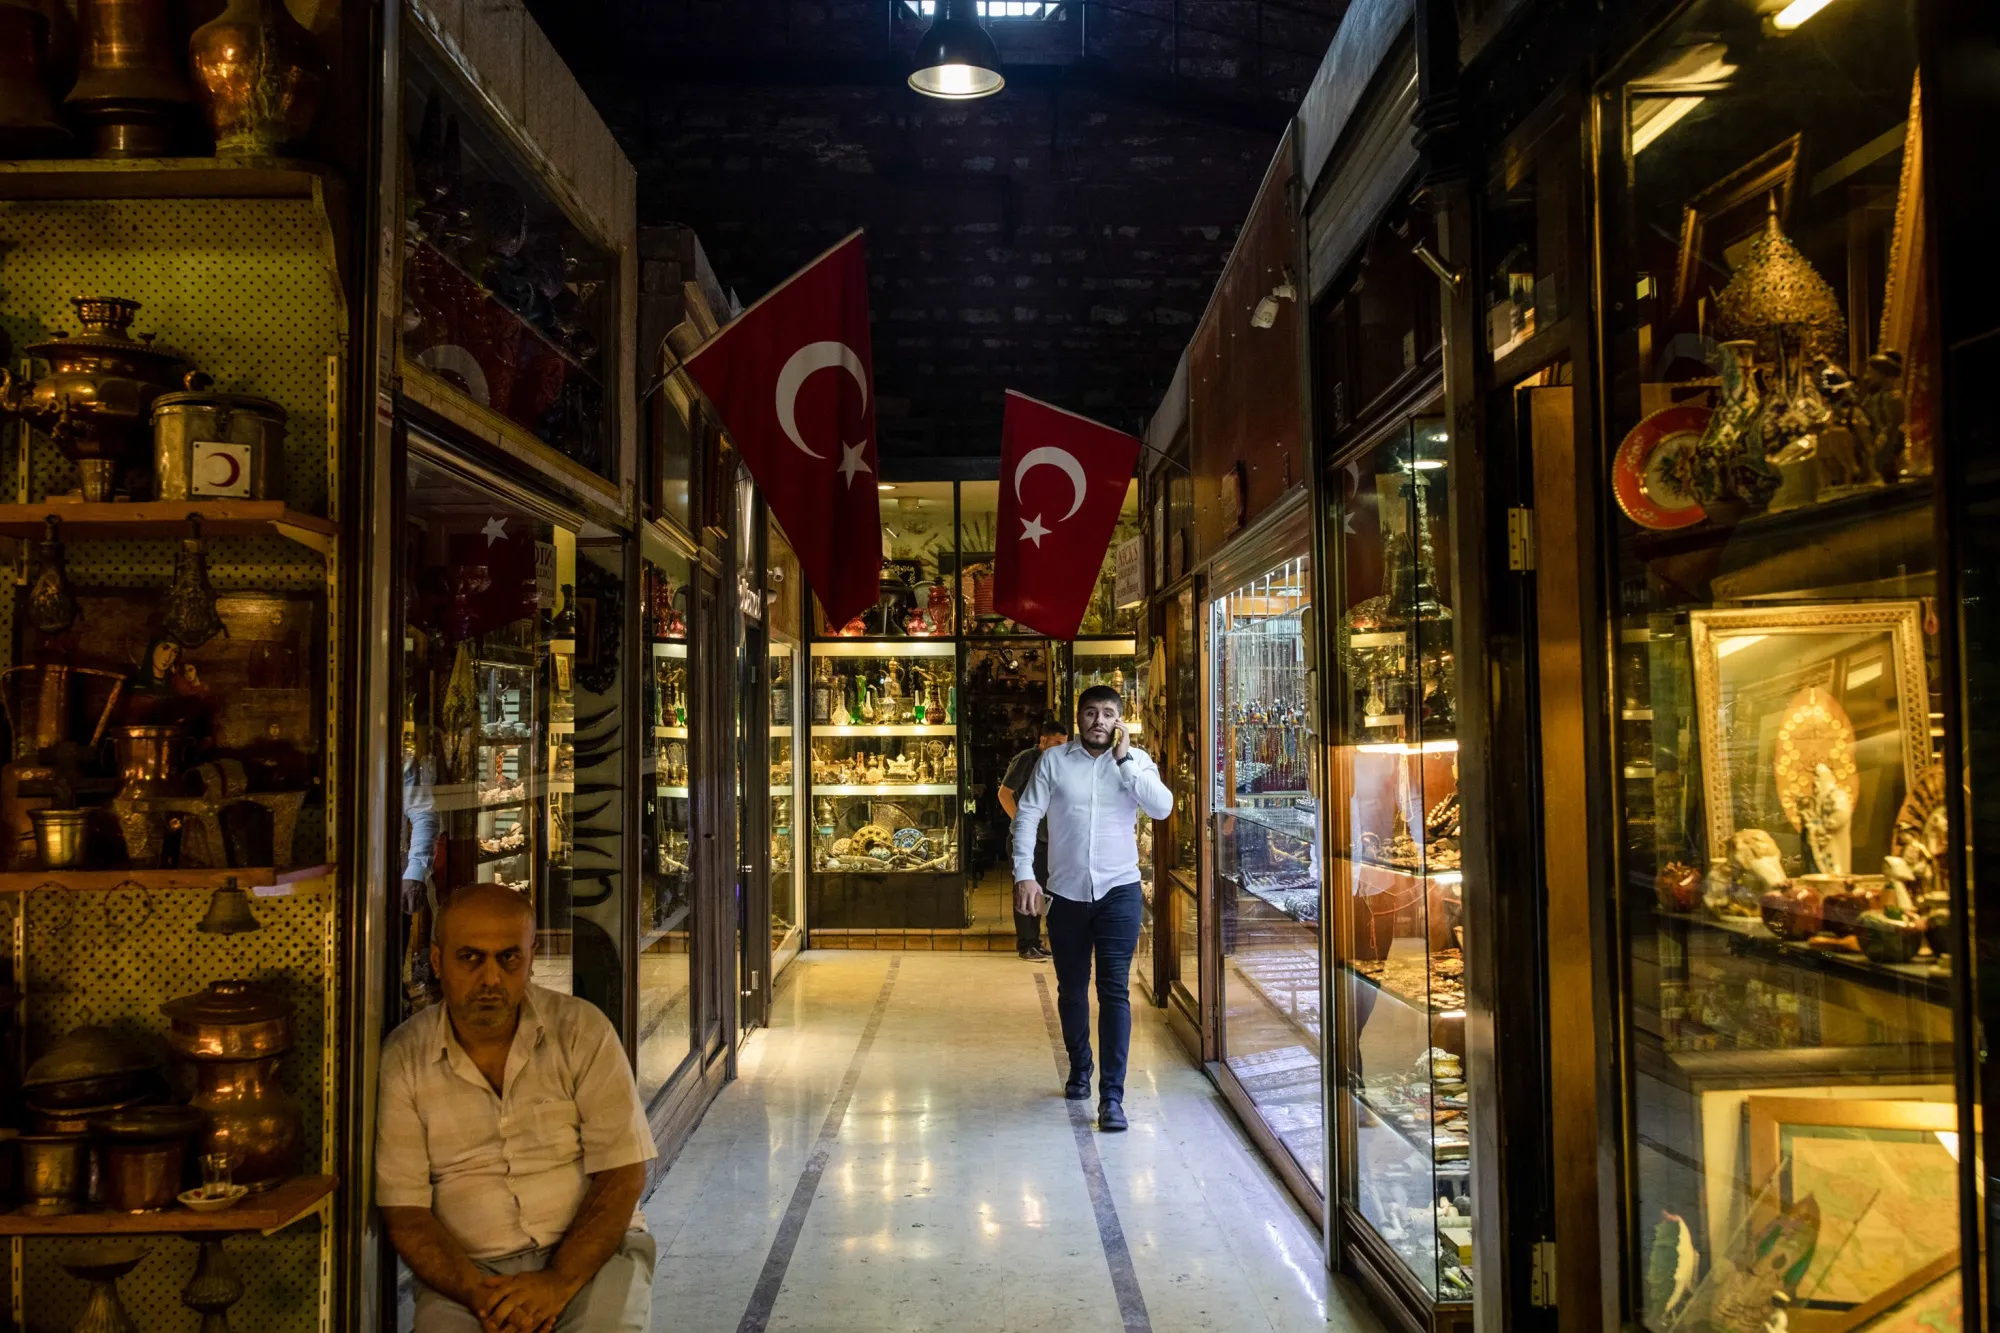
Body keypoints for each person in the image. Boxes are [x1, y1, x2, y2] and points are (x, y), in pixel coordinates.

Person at [376, 883, 657, 1332]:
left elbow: (623, 1174)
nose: (490, 978)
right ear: (436, 960)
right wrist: (481, 1297)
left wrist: (557, 1283)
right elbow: (405, 1213)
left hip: (593, 1255)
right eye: (470, 957)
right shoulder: (405, 1058)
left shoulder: (582, 1031)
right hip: (468, 1275)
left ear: (531, 957)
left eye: (508, 958)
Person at [1012, 684, 1173, 1132]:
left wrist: (1125, 762)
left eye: (1107, 714)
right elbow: (1027, 814)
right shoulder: (1054, 761)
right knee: (1070, 988)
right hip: (1064, 894)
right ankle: (1080, 1068)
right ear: (1078, 718)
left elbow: (1162, 809)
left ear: (1119, 720)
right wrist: (1024, 873)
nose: (1098, 721)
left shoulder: (1136, 763)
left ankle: (1113, 1098)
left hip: (1119, 892)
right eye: (1090, 713)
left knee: (1114, 991)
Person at [997, 715, 1069, 960]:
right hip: (1027, 839)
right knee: (1026, 889)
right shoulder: (1027, 759)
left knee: (1041, 891)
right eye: (1057, 743)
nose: (1061, 748)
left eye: (1065, 744)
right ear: (1043, 741)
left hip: (1048, 840)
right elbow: (1004, 794)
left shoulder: (1060, 764)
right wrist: (1022, 825)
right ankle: (1026, 943)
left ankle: (1035, 941)